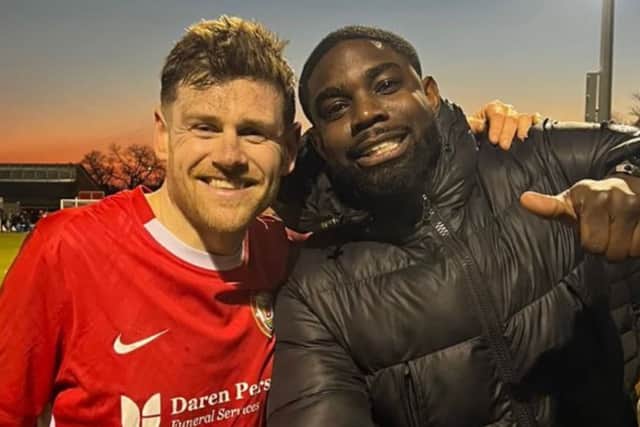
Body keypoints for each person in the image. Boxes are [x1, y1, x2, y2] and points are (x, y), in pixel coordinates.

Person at [0, 16, 533, 427]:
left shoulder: (294, 256)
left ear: (290, 147)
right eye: (204, 127)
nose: (229, 156)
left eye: (254, 132)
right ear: (162, 136)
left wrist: (466, 139)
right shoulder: (67, 251)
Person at [266, 26, 640, 427]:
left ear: (429, 95)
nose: (367, 113)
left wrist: (628, 180)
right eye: (336, 108)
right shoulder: (315, 290)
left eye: (386, 85)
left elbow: (629, 147)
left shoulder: (536, 156)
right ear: (319, 143)